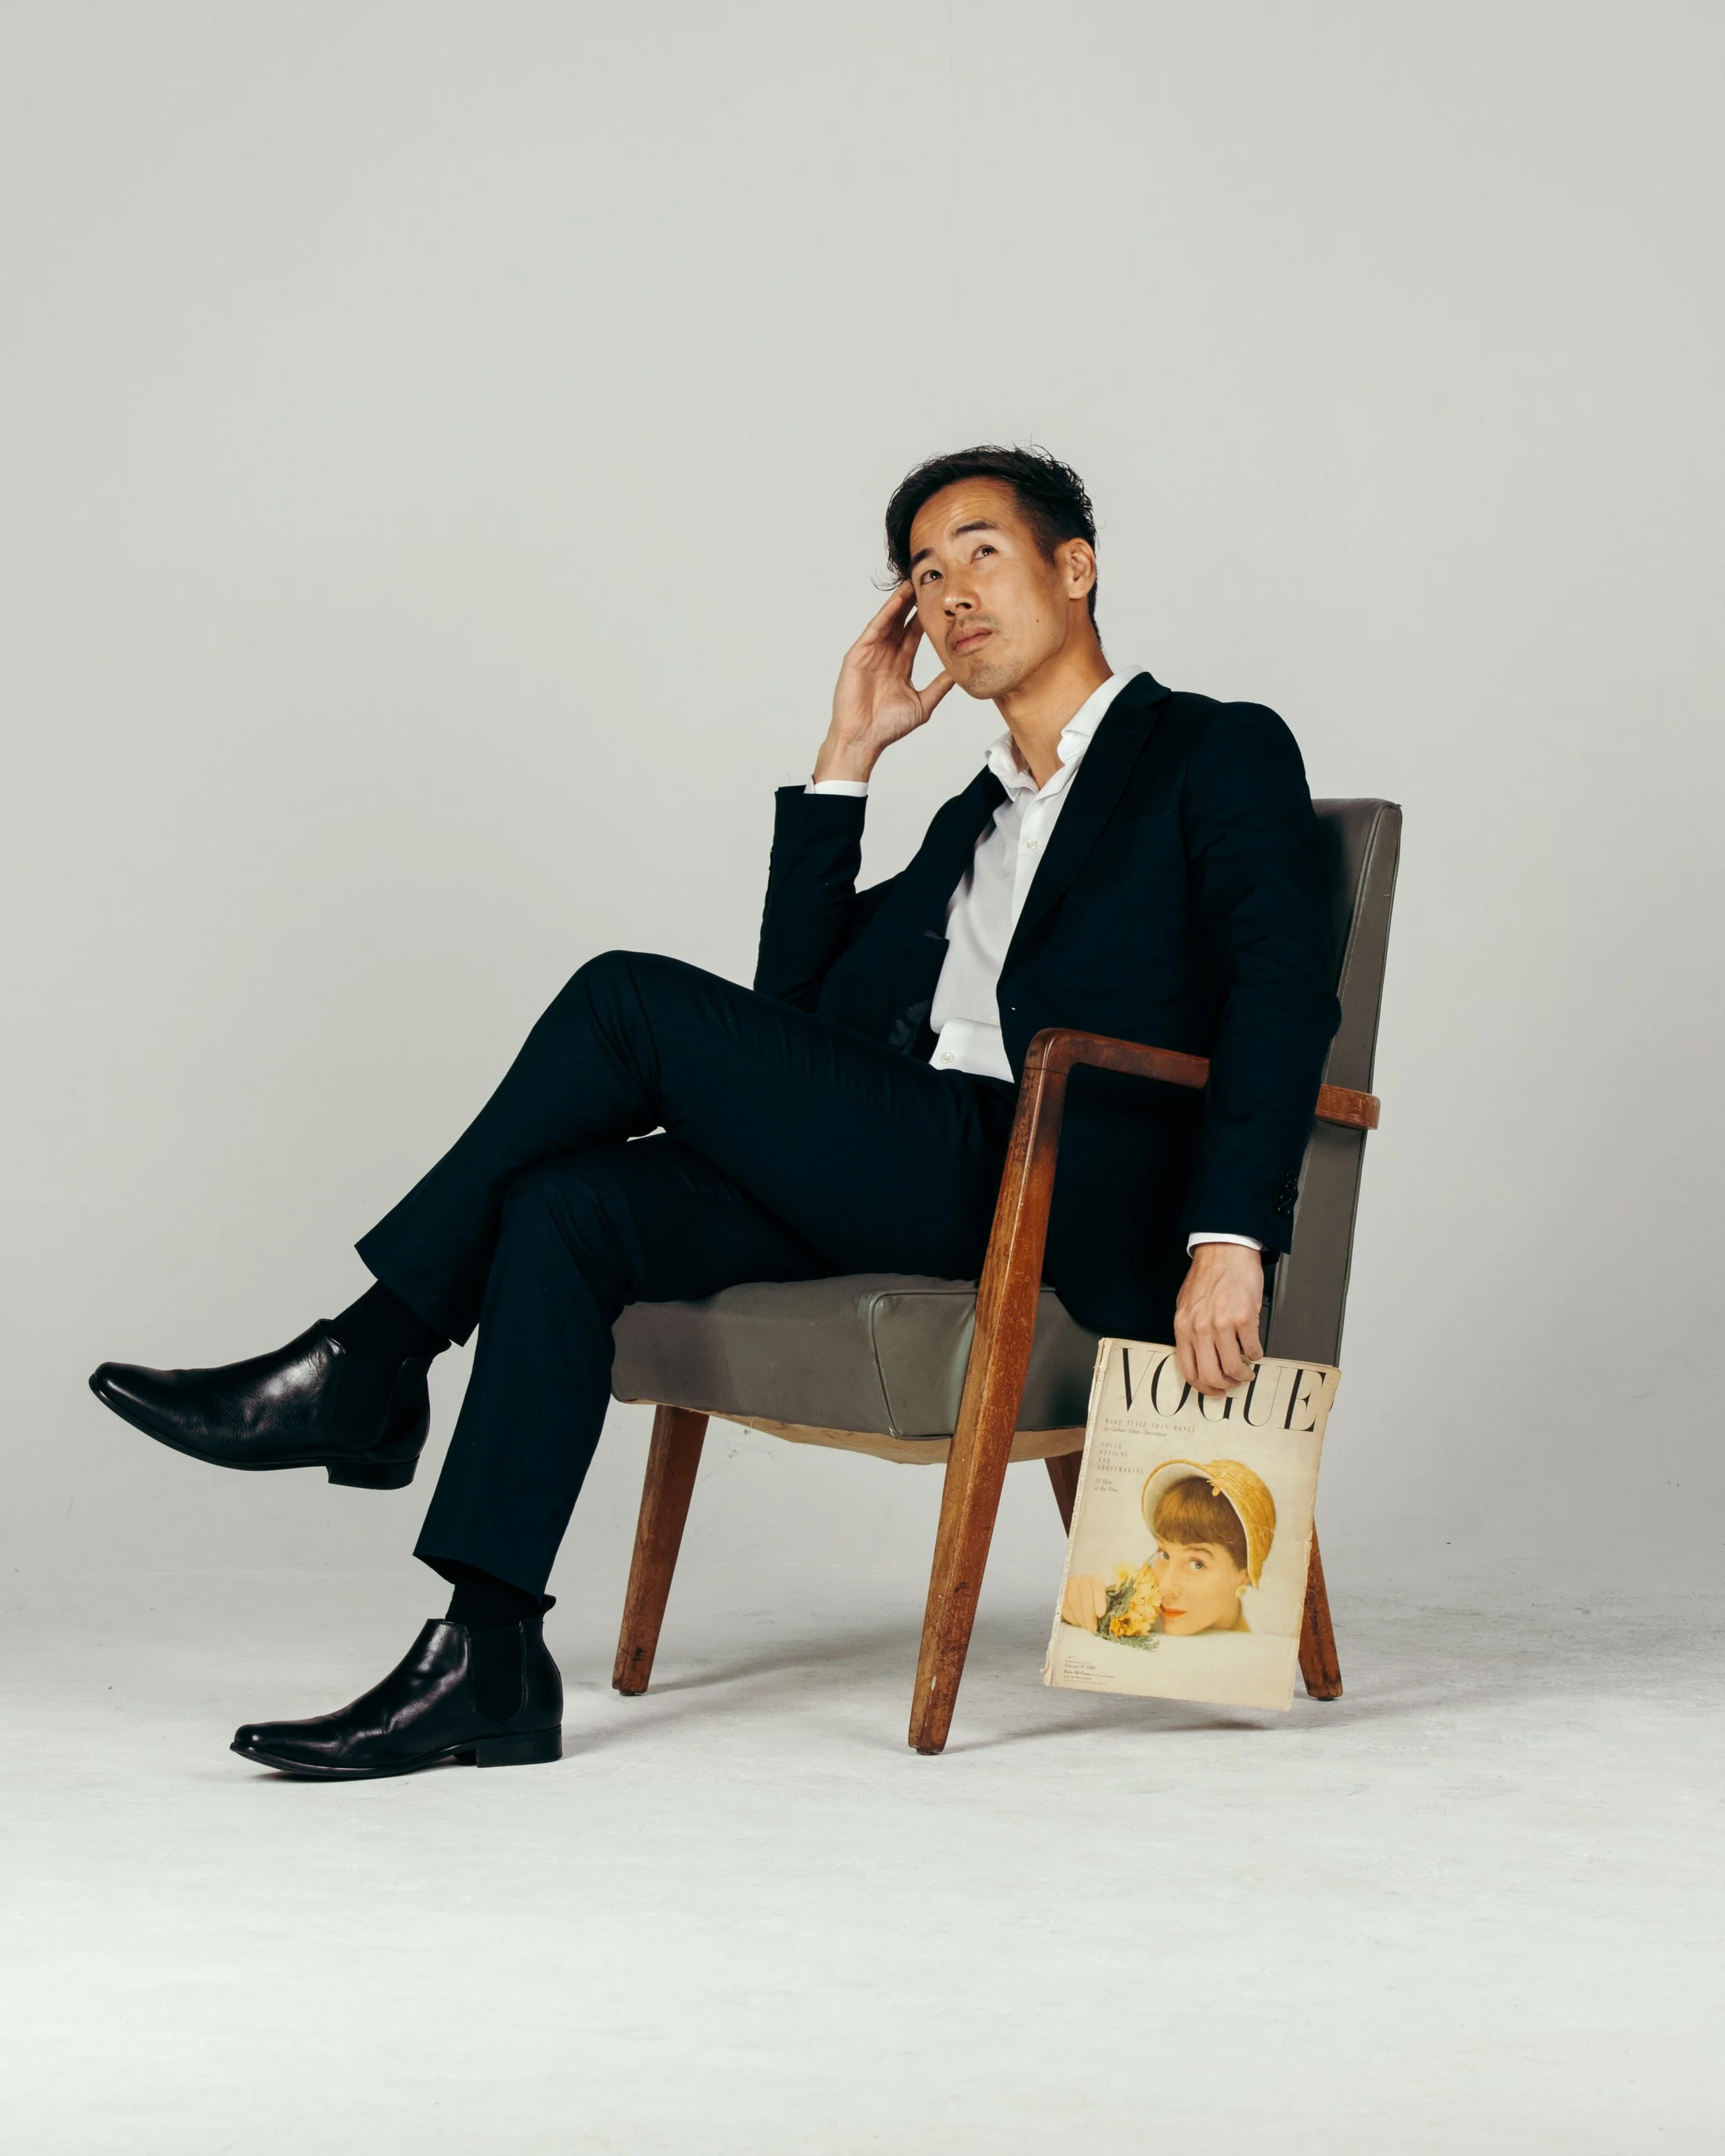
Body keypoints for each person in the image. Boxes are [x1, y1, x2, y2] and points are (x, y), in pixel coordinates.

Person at [89, 445, 1340, 1779]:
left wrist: (1230, 1235)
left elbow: (1281, 995)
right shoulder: (972, 820)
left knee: (627, 1004)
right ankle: (490, 1653)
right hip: (910, 1158)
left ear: (1074, 568)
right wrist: (846, 761)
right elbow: (794, 1022)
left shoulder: (1211, 748)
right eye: (924, 573)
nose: (951, 592)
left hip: (1046, 1175)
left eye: (981, 551)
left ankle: (371, 1360)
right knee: (564, 1207)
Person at [1060, 1458, 1277, 1636]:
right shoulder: (1138, 1616)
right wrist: (1077, 1602)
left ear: (1246, 1573)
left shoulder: (1266, 1645)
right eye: (1164, 1554)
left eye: (1198, 1564)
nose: (1165, 1588)